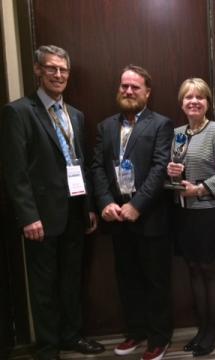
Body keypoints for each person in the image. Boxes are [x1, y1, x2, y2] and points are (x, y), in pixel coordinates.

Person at [0, 45, 104, 360]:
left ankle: (71, 336)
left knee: (71, 280)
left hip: (74, 212)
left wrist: (87, 208)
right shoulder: (18, 112)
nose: (58, 75)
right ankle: (47, 348)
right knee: (43, 285)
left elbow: (79, 163)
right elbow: (15, 171)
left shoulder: (75, 114)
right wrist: (28, 216)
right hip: (41, 218)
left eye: (63, 70)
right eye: (51, 68)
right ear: (37, 70)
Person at [91, 65, 174, 360]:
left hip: (149, 217)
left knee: (156, 281)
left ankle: (158, 338)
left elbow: (160, 168)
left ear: (147, 93)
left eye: (134, 87)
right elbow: (98, 168)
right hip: (116, 218)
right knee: (127, 280)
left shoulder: (161, 124)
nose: (127, 91)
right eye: (124, 86)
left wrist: (137, 205)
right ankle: (136, 332)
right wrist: (104, 203)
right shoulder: (105, 126)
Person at [166, 78, 215, 356]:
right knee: (193, 268)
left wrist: (201, 188)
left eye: (200, 97)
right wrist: (173, 174)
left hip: (212, 213)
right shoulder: (177, 133)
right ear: (181, 103)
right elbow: (177, 171)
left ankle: (214, 328)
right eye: (188, 97)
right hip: (185, 213)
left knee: (211, 270)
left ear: (208, 102)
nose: (193, 101)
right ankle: (202, 326)